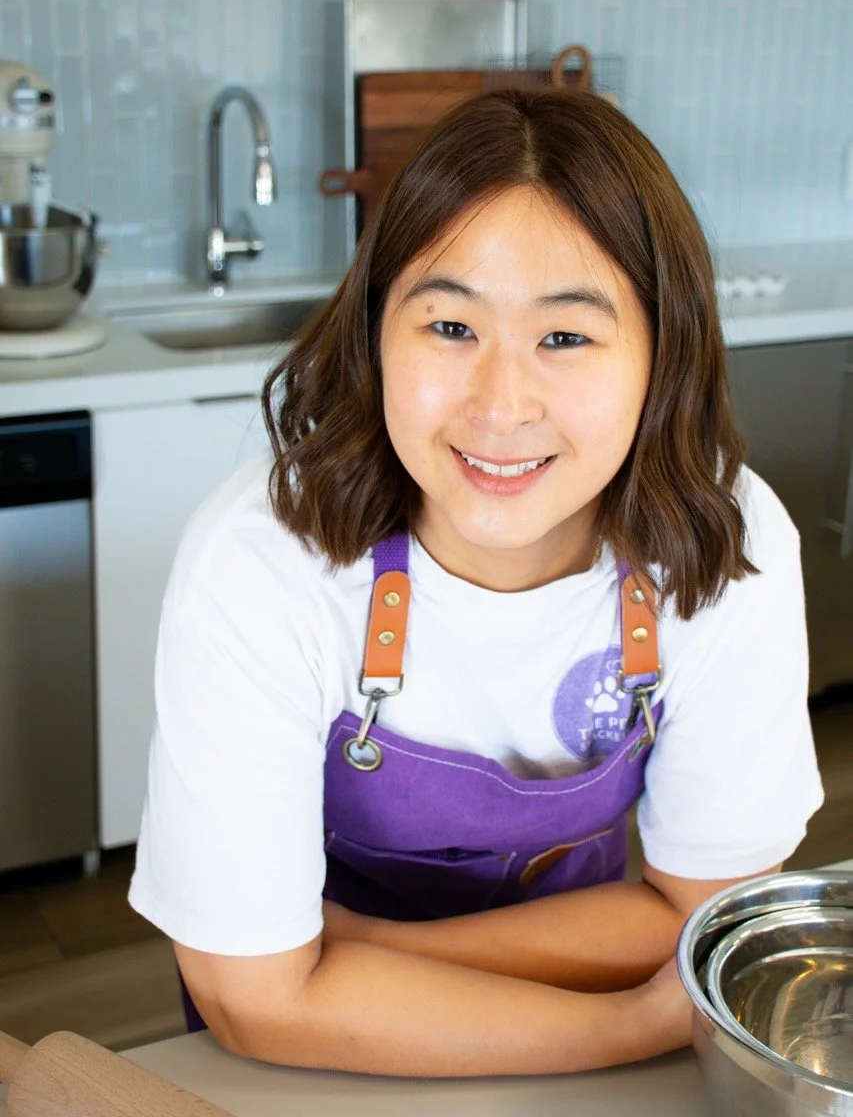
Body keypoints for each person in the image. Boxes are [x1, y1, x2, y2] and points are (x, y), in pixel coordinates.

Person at [129, 87, 823, 1078]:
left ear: (659, 353)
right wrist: (637, 1020)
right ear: (376, 330)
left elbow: (700, 910)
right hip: (311, 1073)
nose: (500, 406)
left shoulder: (721, 538)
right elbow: (252, 1000)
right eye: (450, 327)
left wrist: (345, 956)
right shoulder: (264, 561)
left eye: (566, 336)